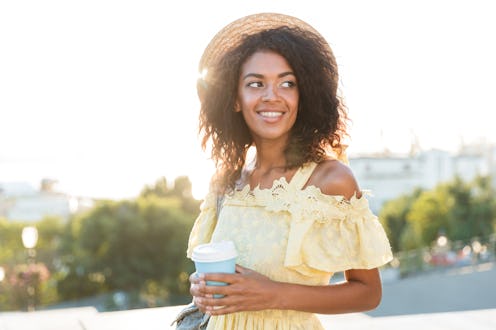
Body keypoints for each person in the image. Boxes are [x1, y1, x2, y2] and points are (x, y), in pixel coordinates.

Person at [187, 13, 393, 329]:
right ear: (235, 99)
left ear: (303, 95)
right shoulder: (225, 181)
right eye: (256, 84)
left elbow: (368, 294)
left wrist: (273, 294)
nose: (272, 96)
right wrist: (202, 290)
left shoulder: (331, 181)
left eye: (287, 83)